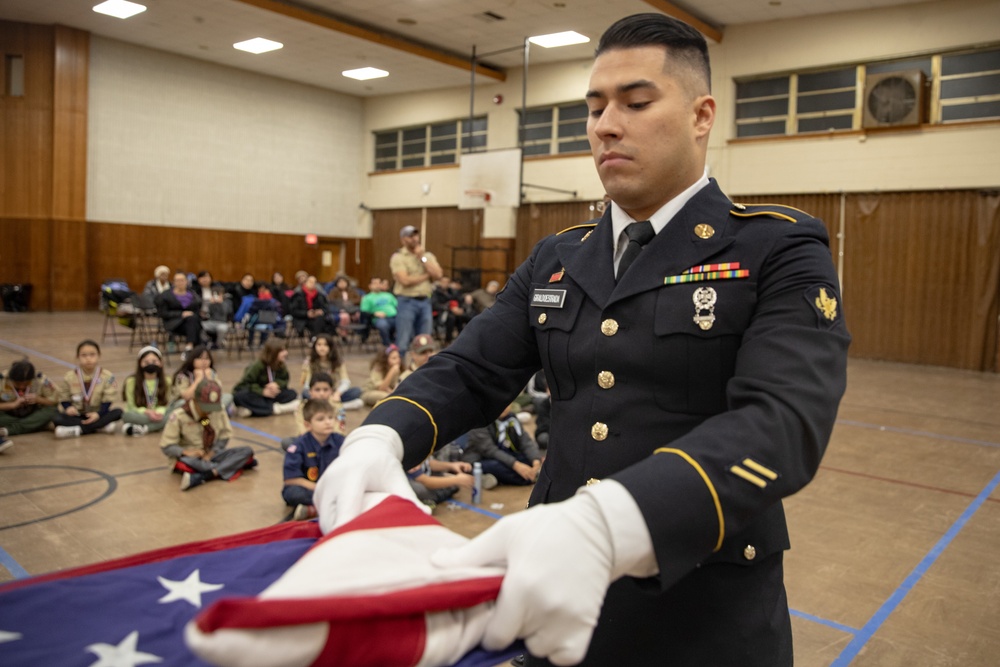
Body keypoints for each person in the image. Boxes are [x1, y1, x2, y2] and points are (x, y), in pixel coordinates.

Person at [315, 13, 850, 667]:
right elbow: (471, 368)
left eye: (635, 101)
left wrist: (608, 522)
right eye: (595, 107)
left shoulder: (775, 246)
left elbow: (784, 421)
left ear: (701, 115)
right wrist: (382, 434)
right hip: (555, 603)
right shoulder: (559, 256)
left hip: (703, 609)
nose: (605, 124)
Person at [159, 378, 255, 491]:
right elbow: (167, 446)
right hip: (192, 457)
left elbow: (224, 435)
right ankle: (228, 466)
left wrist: (212, 452)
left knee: (247, 451)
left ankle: (207, 475)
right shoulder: (180, 415)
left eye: (212, 408)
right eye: (205, 408)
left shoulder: (218, 409)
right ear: (195, 400)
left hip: (212, 453)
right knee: (189, 462)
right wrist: (185, 452)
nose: (209, 412)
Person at [282, 398, 345, 521]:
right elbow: (290, 480)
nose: (328, 422)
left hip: (331, 487)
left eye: (330, 418)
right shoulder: (299, 446)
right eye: (321, 419)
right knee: (293, 494)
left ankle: (315, 508)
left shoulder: (340, 441)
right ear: (308, 425)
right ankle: (326, 506)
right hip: (309, 488)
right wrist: (317, 488)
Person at [53, 340, 124, 438]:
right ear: (77, 357)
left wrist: (98, 414)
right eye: (84, 355)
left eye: (92, 355)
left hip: (98, 414)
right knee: (56, 417)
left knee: (118, 412)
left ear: (99, 355)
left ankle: (77, 430)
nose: (88, 358)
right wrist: (68, 407)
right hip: (77, 415)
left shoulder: (108, 376)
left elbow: (109, 399)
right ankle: (100, 427)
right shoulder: (69, 377)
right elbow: (63, 396)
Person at [390, 225, 442, 357]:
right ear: (403, 240)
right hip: (406, 302)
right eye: (410, 236)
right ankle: (400, 373)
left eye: (415, 235)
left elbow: (438, 275)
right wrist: (426, 276)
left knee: (425, 342)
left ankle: (422, 373)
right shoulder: (398, 257)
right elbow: (405, 281)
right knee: (403, 341)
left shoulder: (427, 256)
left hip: (425, 301)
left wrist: (422, 258)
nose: (414, 239)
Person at [462, 402, 543, 487]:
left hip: (506, 454)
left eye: (507, 404)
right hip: (483, 458)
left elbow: (525, 441)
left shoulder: (511, 418)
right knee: (497, 467)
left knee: (528, 460)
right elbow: (489, 450)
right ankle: (529, 478)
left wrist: (536, 461)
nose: (504, 407)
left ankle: (530, 474)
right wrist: (516, 465)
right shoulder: (479, 420)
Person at [0, 359, 59, 452]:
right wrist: (12, 405)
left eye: (26, 384)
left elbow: (55, 400)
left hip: (32, 414)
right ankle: (35, 425)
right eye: (17, 384)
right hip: (8, 415)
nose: (22, 387)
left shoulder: (41, 379)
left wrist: (38, 399)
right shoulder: (2, 380)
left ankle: (8, 430)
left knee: (53, 411)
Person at [232, 337, 300, 417]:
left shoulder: (281, 365)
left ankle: (253, 410)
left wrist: (276, 384)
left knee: (292, 393)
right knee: (240, 397)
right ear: (273, 353)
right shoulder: (257, 365)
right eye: (282, 351)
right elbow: (245, 384)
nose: (286, 353)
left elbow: (284, 380)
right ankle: (276, 408)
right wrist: (262, 391)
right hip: (256, 393)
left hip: (270, 394)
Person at [300, 333, 362, 408]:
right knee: (305, 394)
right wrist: (313, 393)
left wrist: (337, 393)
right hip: (316, 393)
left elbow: (346, 381)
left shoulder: (338, 362)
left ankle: (323, 405)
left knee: (357, 391)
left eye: (325, 345)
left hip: (332, 392)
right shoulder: (310, 361)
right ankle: (335, 405)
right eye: (319, 345)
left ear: (331, 347)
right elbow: (307, 383)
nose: (322, 348)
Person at [120, 346, 172, 437]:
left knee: (177, 409)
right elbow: (131, 406)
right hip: (140, 414)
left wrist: (158, 413)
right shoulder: (131, 381)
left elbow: (167, 404)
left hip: (160, 414)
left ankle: (144, 428)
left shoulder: (167, 381)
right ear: (140, 364)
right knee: (126, 415)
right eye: (146, 362)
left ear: (161, 363)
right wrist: (147, 412)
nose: (150, 364)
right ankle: (158, 426)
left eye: (154, 361)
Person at [168, 345, 234, 414]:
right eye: (200, 358)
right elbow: (186, 396)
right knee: (182, 403)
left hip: (204, 403)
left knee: (228, 397)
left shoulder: (211, 373)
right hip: (185, 404)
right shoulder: (183, 375)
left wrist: (209, 379)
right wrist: (198, 379)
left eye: (207, 359)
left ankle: (206, 412)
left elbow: (217, 393)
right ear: (192, 360)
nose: (204, 362)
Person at [155, 271, 203, 357]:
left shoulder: (193, 294)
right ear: (173, 282)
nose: (180, 282)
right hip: (174, 323)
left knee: (192, 320)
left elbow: (197, 309)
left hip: (191, 323)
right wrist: (181, 314)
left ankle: (190, 348)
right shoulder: (165, 295)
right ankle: (195, 350)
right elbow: (163, 313)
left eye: (182, 280)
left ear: (186, 281)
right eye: (177, 280)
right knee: (193, 322)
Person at [406, 457, 474, 510]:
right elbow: (424, 481)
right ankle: (431, 498)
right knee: (420, 489)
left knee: (450, 483)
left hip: (424, 479)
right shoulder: (409, 451)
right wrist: (456, 480)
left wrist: (452, 465)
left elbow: (429, 463)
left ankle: (437, 495)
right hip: (412, 483)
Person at [359, 277, 397, 346]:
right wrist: (374, 314)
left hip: (394, 316)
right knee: (383, 325)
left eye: (379, 283)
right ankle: (388, 345)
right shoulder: (367, 298)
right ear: (370, 286)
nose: (377, 285)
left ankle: (399, 344)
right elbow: (364, 312)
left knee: (405, 322)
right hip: (379, 319)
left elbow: (397, 306)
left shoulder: (389, 295)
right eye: (375, 283)